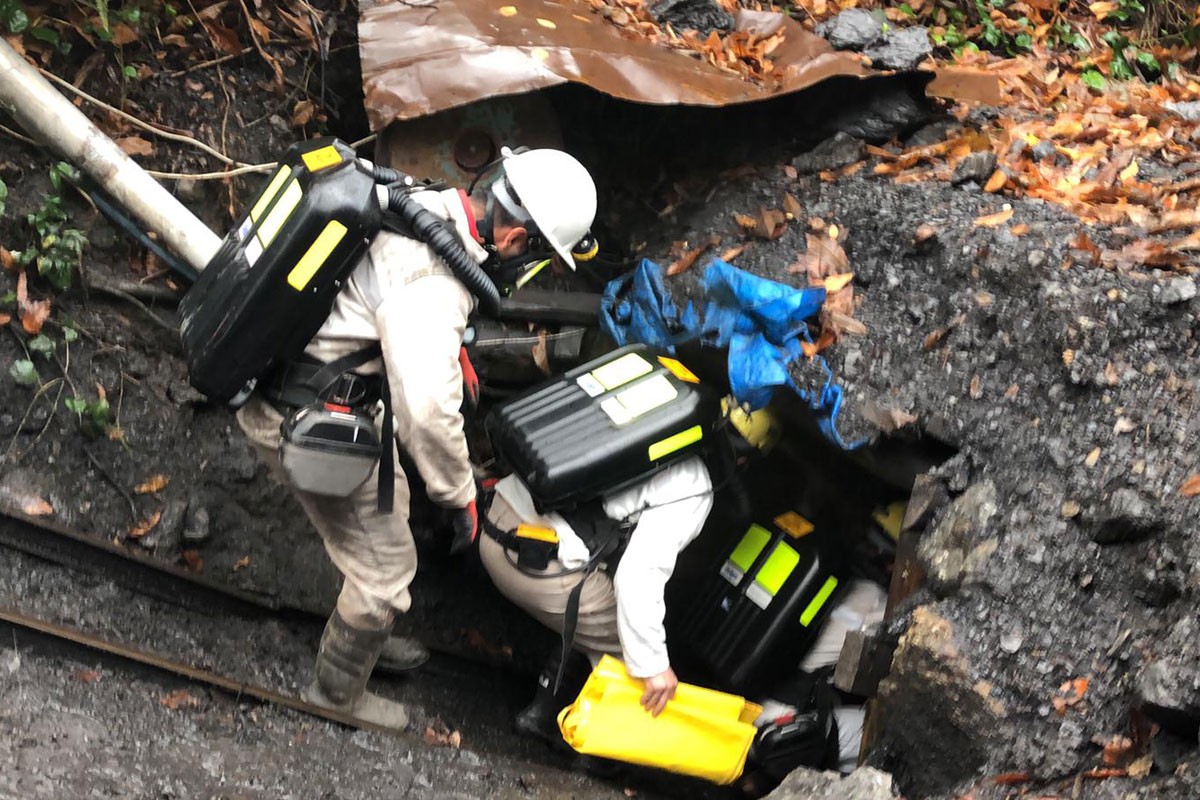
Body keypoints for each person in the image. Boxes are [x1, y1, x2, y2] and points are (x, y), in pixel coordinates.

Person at [236, 147, 598, 730]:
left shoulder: (422, 203)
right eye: (538, 257)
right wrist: (460, 496)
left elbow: (384, 302)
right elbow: (427, 412)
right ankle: (335, 691)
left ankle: (364, 638)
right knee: (387, 569)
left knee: (387, 510)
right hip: (307, 417)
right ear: (515, 241)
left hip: (317, 387)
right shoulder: (435, 280)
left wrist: (450, 351)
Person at [479, 400, 780, 740]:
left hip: (495, 527)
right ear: (743, 460)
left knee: (604, 604)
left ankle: (545, 709)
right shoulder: (695, 483)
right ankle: (599, 754)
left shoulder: (652, 420)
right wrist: (654, 666)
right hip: (533, 566)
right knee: (635, 648)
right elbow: (637, 575)